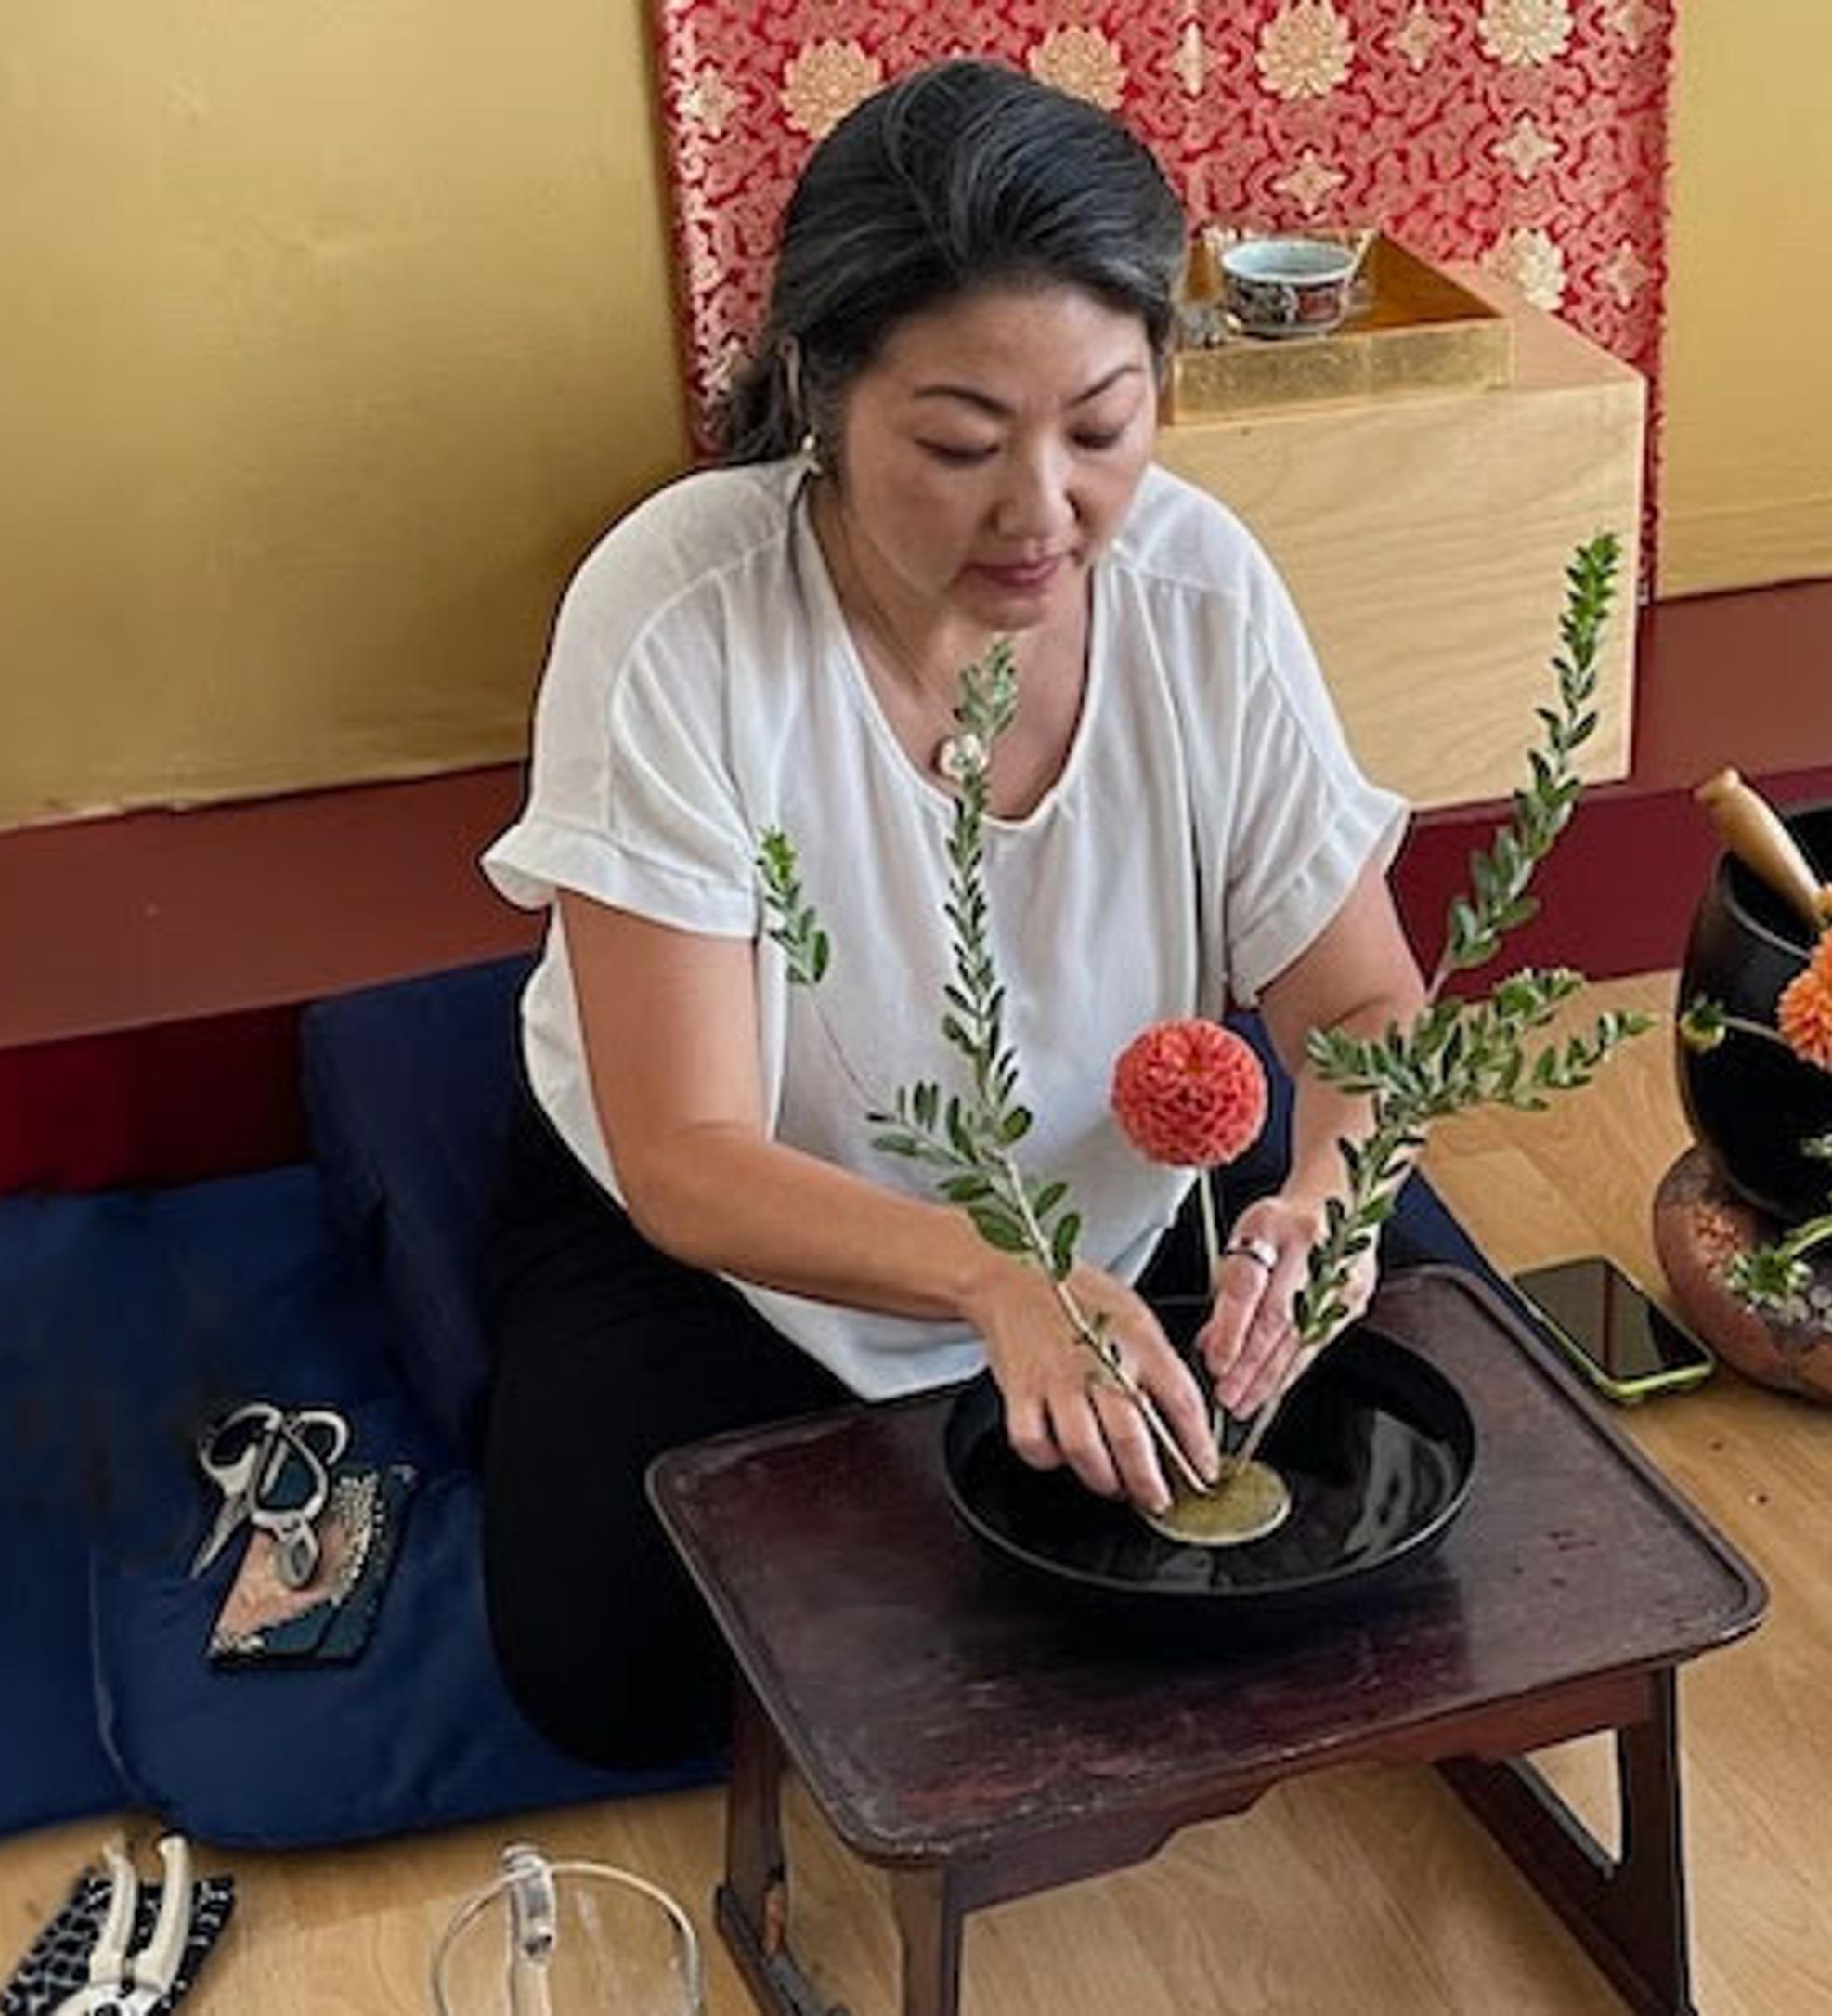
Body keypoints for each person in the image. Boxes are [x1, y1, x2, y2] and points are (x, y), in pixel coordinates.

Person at [474, 59, 1429, 1769]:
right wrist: (1000, 1281)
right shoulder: (681, 610)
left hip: (1138, 1218)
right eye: (958, 445)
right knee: (613, 1663)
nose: (1041, 512)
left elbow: (1360, 1007)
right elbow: (687, 1151)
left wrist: (1322, 1205)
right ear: (820, 392)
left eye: (1104, 429)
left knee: (1433, 1484)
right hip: (751, 1229)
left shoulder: (1199, 588)